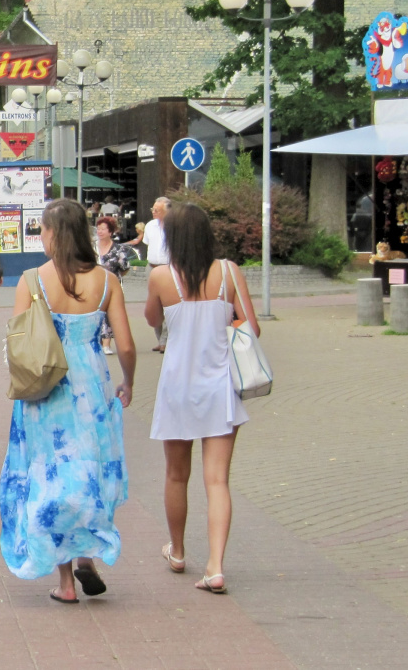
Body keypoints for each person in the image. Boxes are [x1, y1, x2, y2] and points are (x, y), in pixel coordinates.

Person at [0, 199, 136, 604]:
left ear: (54, 234)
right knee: (88, 471)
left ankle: (65, 582)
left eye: (41, 230)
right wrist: (128, 382)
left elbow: (17, 344)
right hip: (91, 387)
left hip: (47, 390)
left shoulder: (32, 279)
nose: (39, 237)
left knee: (50, 476)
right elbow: (126, 345)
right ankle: (87, 556)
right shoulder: (108, 282)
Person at [145, 202, 259, 595]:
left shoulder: (161, 277)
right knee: (217, 480)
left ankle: (177, 551)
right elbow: (250, 326)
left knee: (177, 474)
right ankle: (215, 566)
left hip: (177, 386)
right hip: (219, 385)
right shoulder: (228, 272)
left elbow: (151, 320)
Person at [95, 216, 136, 355]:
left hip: (112, 286)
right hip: (93, 286)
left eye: (103, 229)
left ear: (111, 232)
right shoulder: (92, 247)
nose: (100, 231)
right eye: (98, 229)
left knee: (108, 313)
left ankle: (106, 344)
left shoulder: (118, 249)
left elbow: (125, 267)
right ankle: (97, 342)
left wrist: (114, 278)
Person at [142, 197, 172, 353]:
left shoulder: (174, 226)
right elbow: (148, 244)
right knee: (154, 304)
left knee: (167, 304)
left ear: (167, 211)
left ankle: (165, 340)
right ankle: (159, 338)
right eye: (152, 209)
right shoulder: (150, 226)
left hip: (168, 268)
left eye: (157, 210)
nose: (153, 212)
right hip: (152, 268)